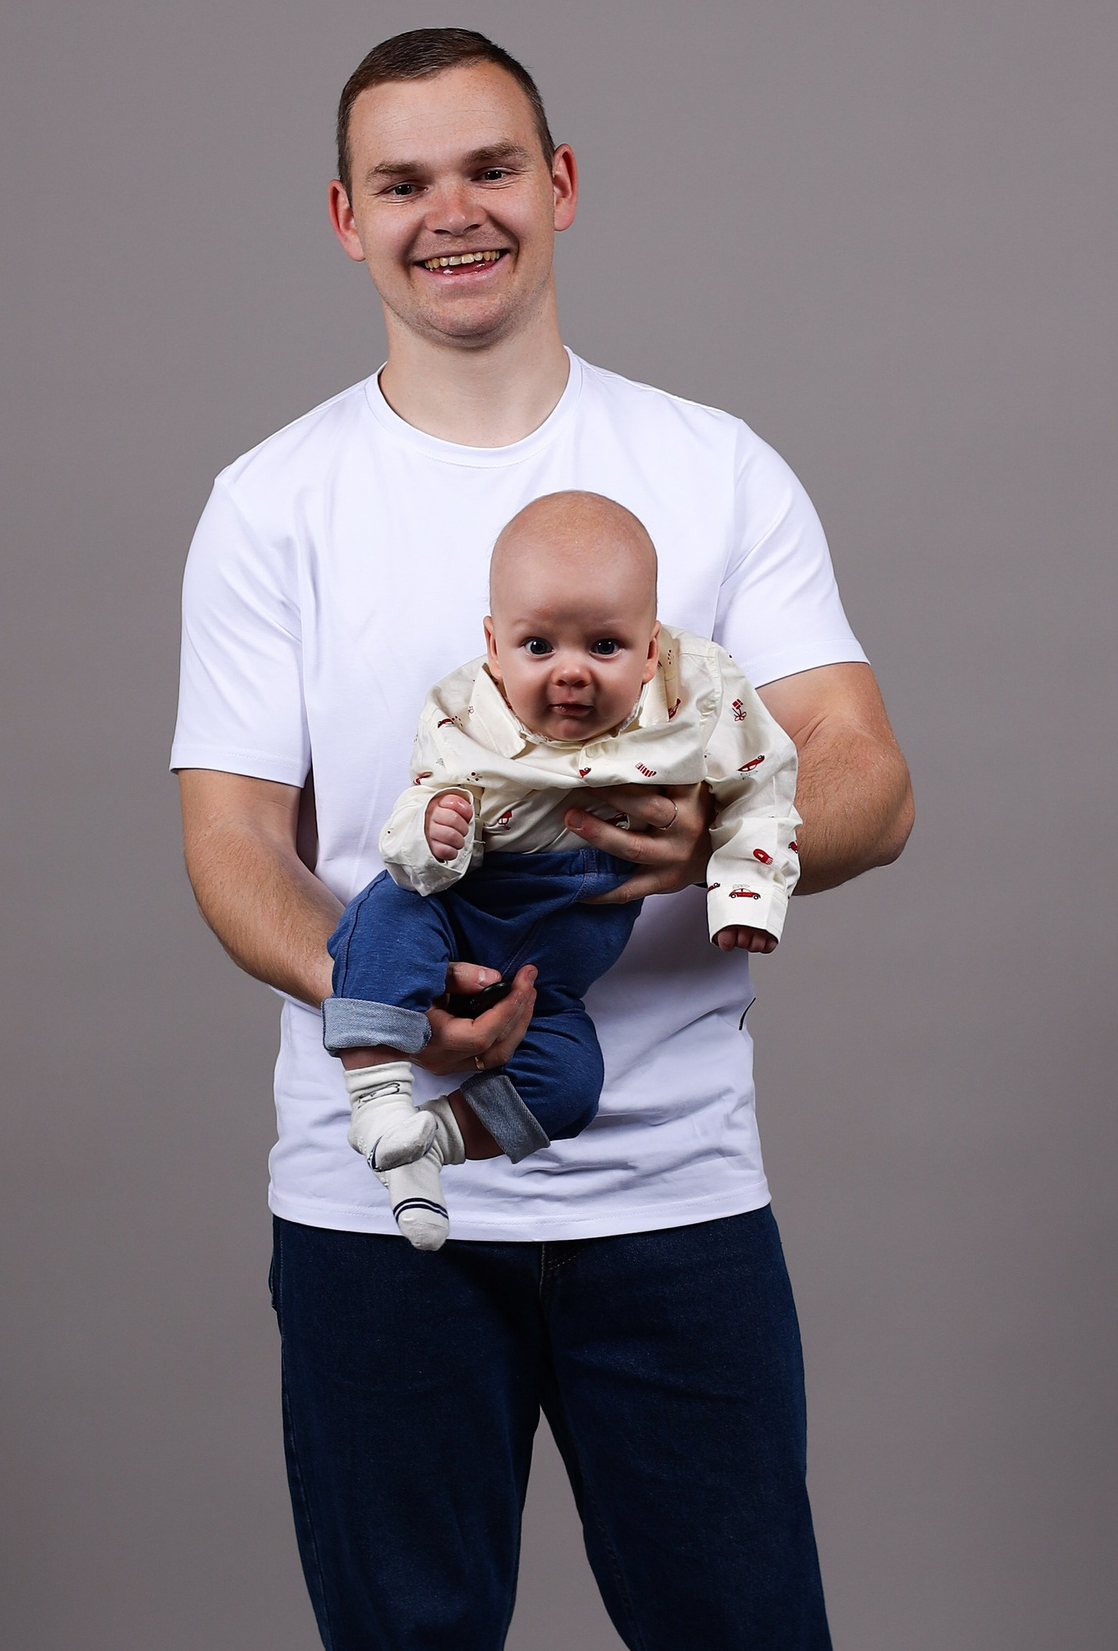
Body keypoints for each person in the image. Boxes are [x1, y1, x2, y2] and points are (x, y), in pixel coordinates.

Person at [173, 27, 937, 1651]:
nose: (454, 212)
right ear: (347, 220)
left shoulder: (709, 467)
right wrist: (382, 996)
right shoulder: (275, 502)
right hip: (380, 1203)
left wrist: (708, 854)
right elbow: (231, 845)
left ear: (562, 181)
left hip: (673, 1192)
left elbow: (870, 776)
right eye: (403, 180)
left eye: (489, 166)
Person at [327, 488, 801, 1247]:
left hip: (551, 975)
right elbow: (415, 818)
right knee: (385, 914)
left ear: (651, 648)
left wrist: (744, 889)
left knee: (571, 1083)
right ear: (494, 646)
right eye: (538, 647)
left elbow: (762, 781)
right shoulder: (464, 709)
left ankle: (428, 1145)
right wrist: (433, 832)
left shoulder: (695, 694)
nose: (571, 673)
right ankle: (378, 1097)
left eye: (605, 646)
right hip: (459, 906)